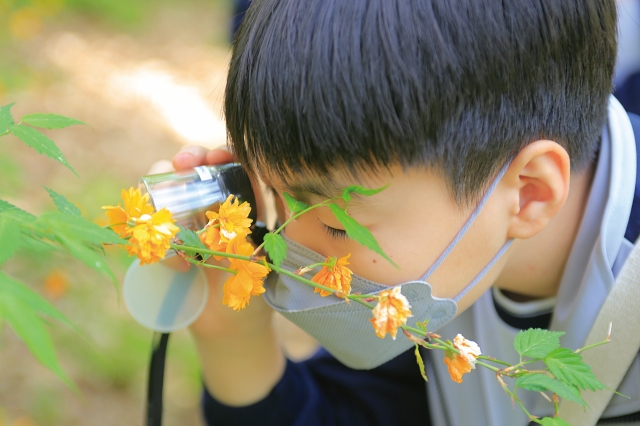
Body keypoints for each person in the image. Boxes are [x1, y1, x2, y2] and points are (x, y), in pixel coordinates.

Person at [169, 0, 640, 424]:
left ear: (531, 191)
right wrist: (231, 335)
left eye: (336, 223)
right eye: (276, 196)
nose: (293, 251)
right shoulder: (454, 269)